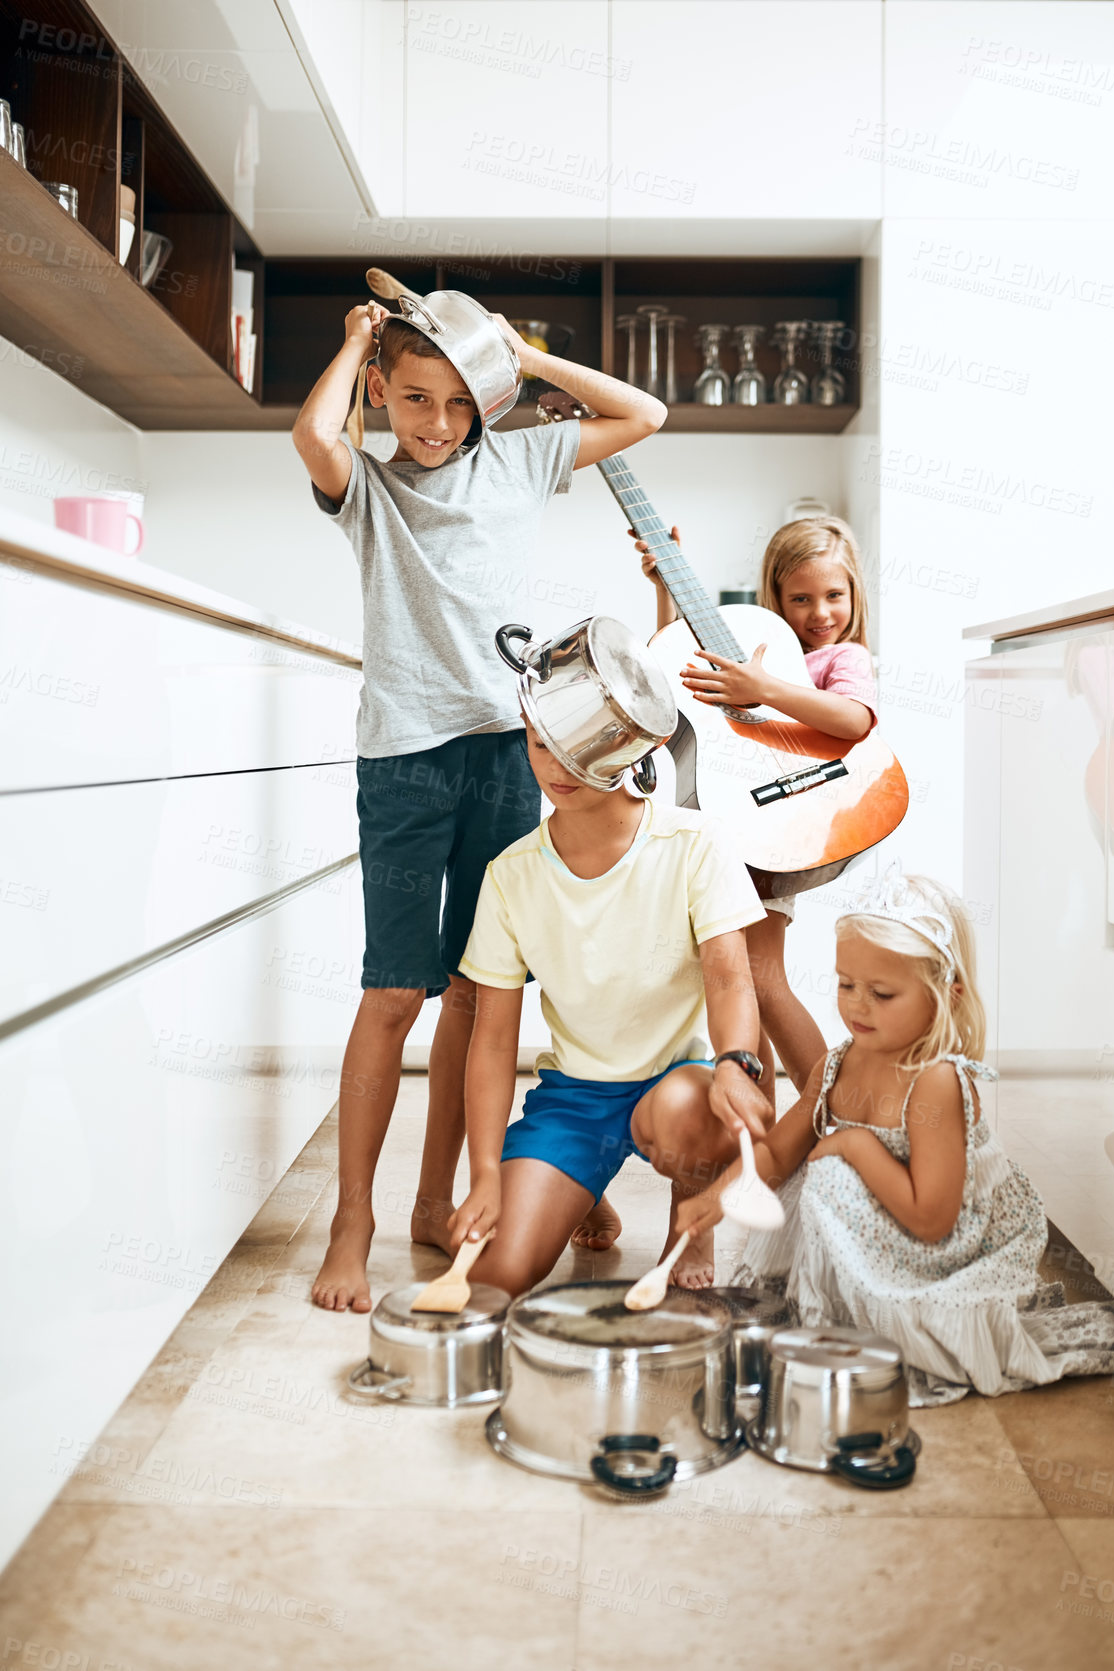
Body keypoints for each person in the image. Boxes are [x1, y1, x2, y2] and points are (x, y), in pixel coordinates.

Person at [293, 296, 665, 1311]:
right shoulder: (368, 486)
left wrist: (527, 356)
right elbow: (311, 435)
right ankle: (351, 1222)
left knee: (475, 990)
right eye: (415, 398)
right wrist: (354, 339)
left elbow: (644, 415)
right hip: (405, 763)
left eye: (460, 402)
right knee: (392, 994)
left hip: (507, 752)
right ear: (382, 390)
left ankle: (440, 1199)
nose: (439, 422)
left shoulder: (520, 457)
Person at [676, 866, 1114, 1404]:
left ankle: (877, 1316)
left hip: (930, 1248)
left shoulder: (934, 1082)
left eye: (882, 993)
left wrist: (855, 1145)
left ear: (947, 994)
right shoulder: (837, 1065)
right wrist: (716, 1197)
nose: (856, 1005)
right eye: (845, 984)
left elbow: (933, 1220)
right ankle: (840, 1309)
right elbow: (778, 1149)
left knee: (831, 1174)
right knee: (817, 1175)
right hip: (870, 1230)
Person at [447, 704, 774, 1296]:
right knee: (499, 1274)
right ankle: (586, 1191)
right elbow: (492, 1040)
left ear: (628, 743)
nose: (558, 766)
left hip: (681, 1082)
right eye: (542, 744)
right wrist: (485, 1175)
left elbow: (730, 978)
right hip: (576, 1098)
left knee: (685, 1116)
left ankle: (690, 1219)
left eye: (580, 744)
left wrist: (733, 1064)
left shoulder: (694, 841)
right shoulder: (508, 874)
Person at [637, 514, 876, 1097]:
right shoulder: (752, 653)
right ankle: (760, 1129)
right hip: (727, 824)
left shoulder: (843, 660)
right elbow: (672, 675)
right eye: (801, 598)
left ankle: (840, 1115)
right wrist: (666, 592)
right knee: (736, 986)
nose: (820, 613)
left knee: (764, 980)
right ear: (776, 598)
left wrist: (766, 690)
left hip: (780, 824)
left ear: (854, 596)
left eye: (833, 596)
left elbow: (855, 718)